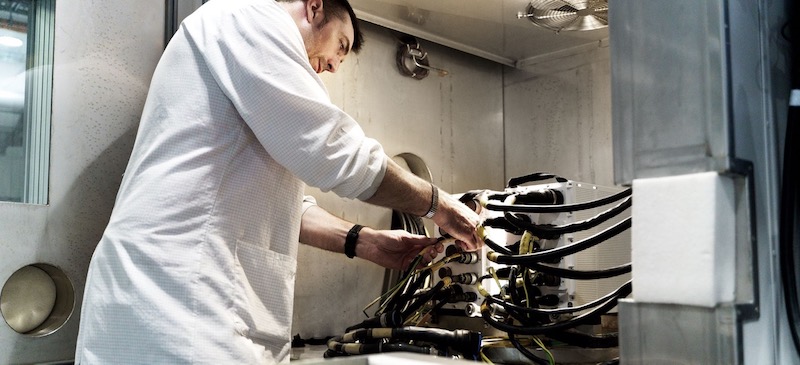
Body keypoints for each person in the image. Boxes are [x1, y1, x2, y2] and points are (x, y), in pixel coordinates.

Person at [74, 0, 482, 363]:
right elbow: (333, 151)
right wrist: (439, 205)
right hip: (177, 300)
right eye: (340, 45)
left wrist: (366, 241)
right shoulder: (246, 16)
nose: (335, 66)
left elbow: (291, 209)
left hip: (185, 301)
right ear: (314, 7)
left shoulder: (251, 68)